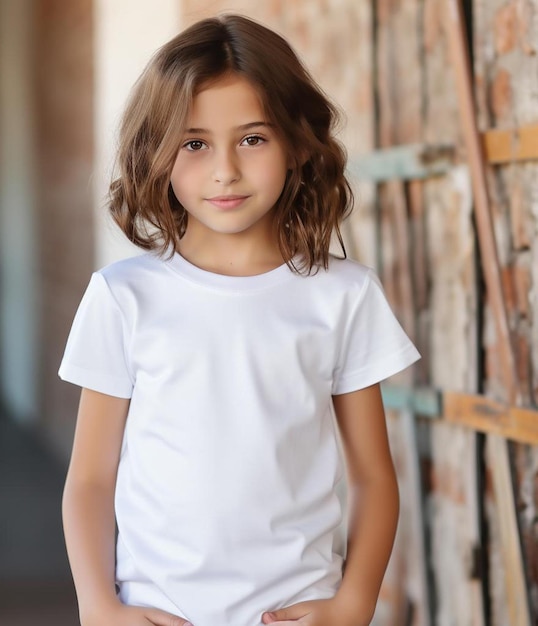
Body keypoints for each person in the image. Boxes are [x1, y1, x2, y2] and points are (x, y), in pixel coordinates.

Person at [59, 13, 420, 626]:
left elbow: (374, 478)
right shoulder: (122, 297)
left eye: (252, 138)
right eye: (195, 144)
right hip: (157, 613)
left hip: (293, 612)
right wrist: (99, 608)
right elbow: (91, 479)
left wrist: (353, 604)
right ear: (159, 152)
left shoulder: (344, 296)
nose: (225, 169)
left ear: (297, 144)